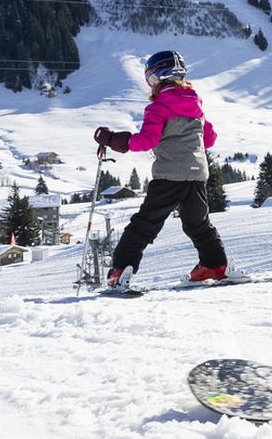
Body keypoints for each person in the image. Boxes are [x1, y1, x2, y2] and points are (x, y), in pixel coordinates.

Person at [94, 51, 228, 289]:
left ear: (156, 78)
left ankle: (120, 271)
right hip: (197, 176)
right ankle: (215, 265)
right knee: (198, 224)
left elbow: (147, 140)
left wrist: (114, 140)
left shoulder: (159, 106)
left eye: (150, 79)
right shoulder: (196, 105)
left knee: (145, 224)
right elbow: (209, 140)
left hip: (169, 175)